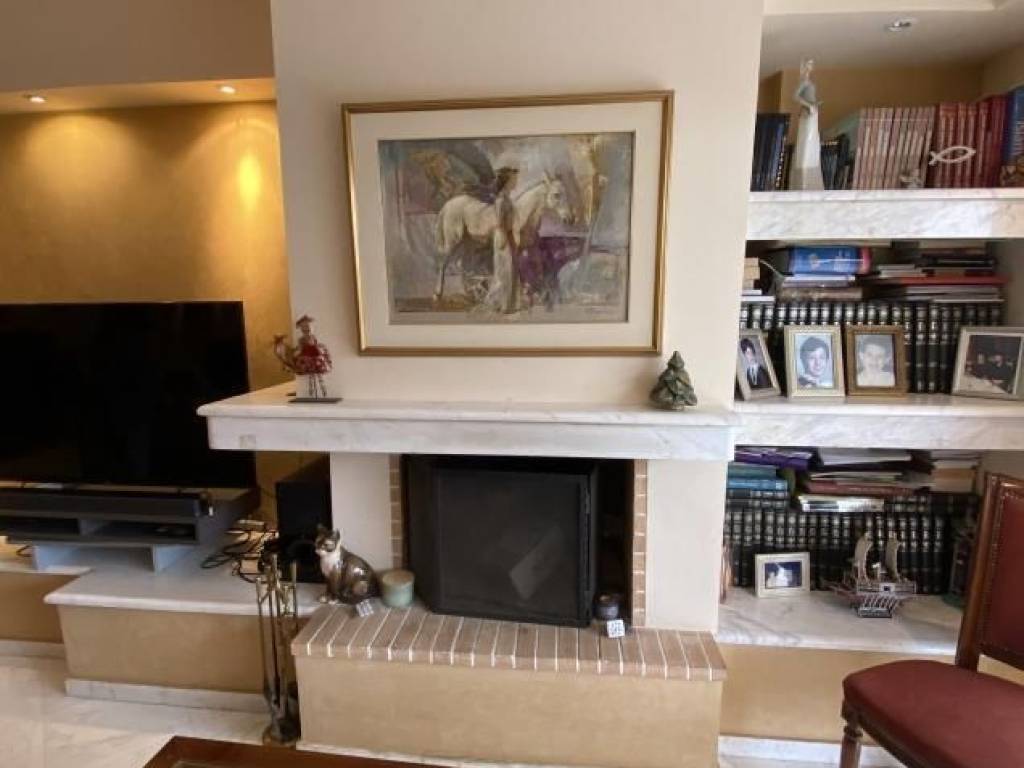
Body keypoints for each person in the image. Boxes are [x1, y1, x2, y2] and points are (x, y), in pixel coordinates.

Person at [484, 166, 521, 314]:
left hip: (509, 234)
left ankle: (509, 304)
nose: (516, 182)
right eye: (513, 180)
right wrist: (504, 238)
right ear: (506, 181)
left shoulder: (507, 199)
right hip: (502, 235)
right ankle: (499, 303)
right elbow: (499, 223)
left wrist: (513, 238)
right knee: (503, 271)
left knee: (511, 269)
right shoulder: (501, 200)